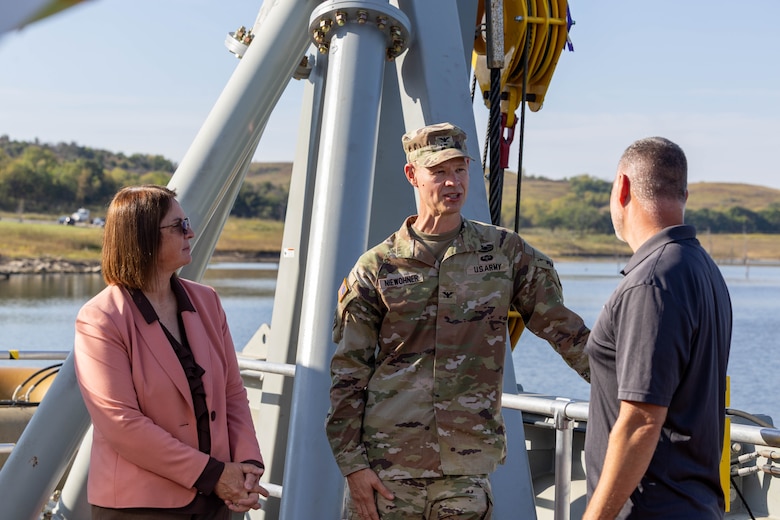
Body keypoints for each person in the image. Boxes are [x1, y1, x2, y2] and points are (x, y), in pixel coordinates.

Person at [325, 122, 590, 519]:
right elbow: (348, 374)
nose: (453, 182)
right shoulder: (377, 269)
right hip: (388, 471)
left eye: (460, 170)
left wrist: (631, 388)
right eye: (439, 171)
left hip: (465, 472)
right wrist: (354, 467)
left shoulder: (505, 253)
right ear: (413, 175)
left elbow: (567, 332)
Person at [73, 185, 268, 519]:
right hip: (140, 505)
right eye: (178, 226)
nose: (190, 232)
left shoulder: (207, 301)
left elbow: (232, 392)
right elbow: (121, 423)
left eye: (186, 222)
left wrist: (248, 463)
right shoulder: (101, 318)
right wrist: (213, 475)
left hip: (217, 500)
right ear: (142, 235)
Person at [583, 137, 732, 519]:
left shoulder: (651, 282)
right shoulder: (701, 269)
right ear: (684, 193)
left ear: (623, 188)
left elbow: (641, 421)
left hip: (651, 510)